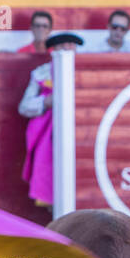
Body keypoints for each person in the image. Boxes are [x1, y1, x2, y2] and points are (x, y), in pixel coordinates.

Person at [19, 31, 82, 207]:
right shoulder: (41, 74)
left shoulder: (84, 72)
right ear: (54, 51)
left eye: (71, 47)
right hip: (51, 138)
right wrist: (45, 102)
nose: (68, 51)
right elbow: (24, 107)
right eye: (64, 47)